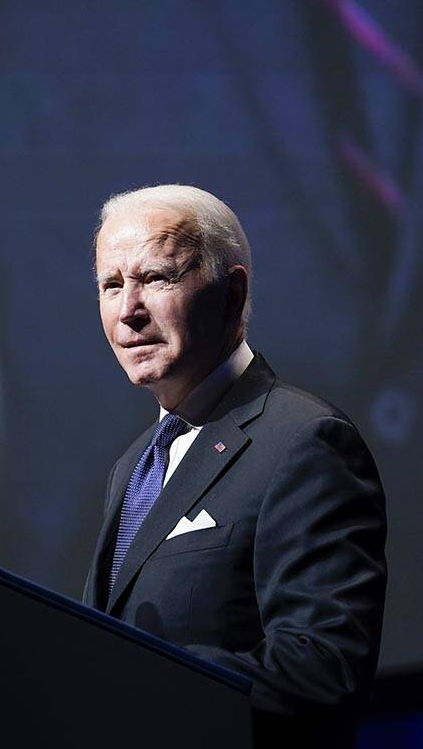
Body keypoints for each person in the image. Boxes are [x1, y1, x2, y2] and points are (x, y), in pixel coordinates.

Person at [83, 184, 387, 745]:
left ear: (231, 292)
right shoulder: (131, 467)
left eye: (155, 278)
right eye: (110, 285)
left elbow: (322, 670)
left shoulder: (303, 441)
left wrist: (138, 683)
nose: (128, 310)